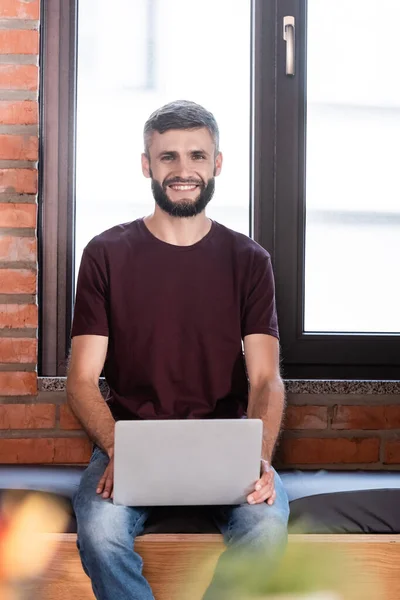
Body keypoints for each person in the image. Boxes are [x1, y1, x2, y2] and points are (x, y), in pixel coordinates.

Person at [67, 100, 289, 600]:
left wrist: (258, 458)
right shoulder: (105, 253)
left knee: (266, 531)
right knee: (100, 533)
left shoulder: (249, 260)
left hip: (226, 444)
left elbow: (265, 379)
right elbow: (81, 380)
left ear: (217, 164)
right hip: (131, 442)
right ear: (147, 165)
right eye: (167, 157)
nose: (183, 170)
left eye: (197, 156)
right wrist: (120, 450)